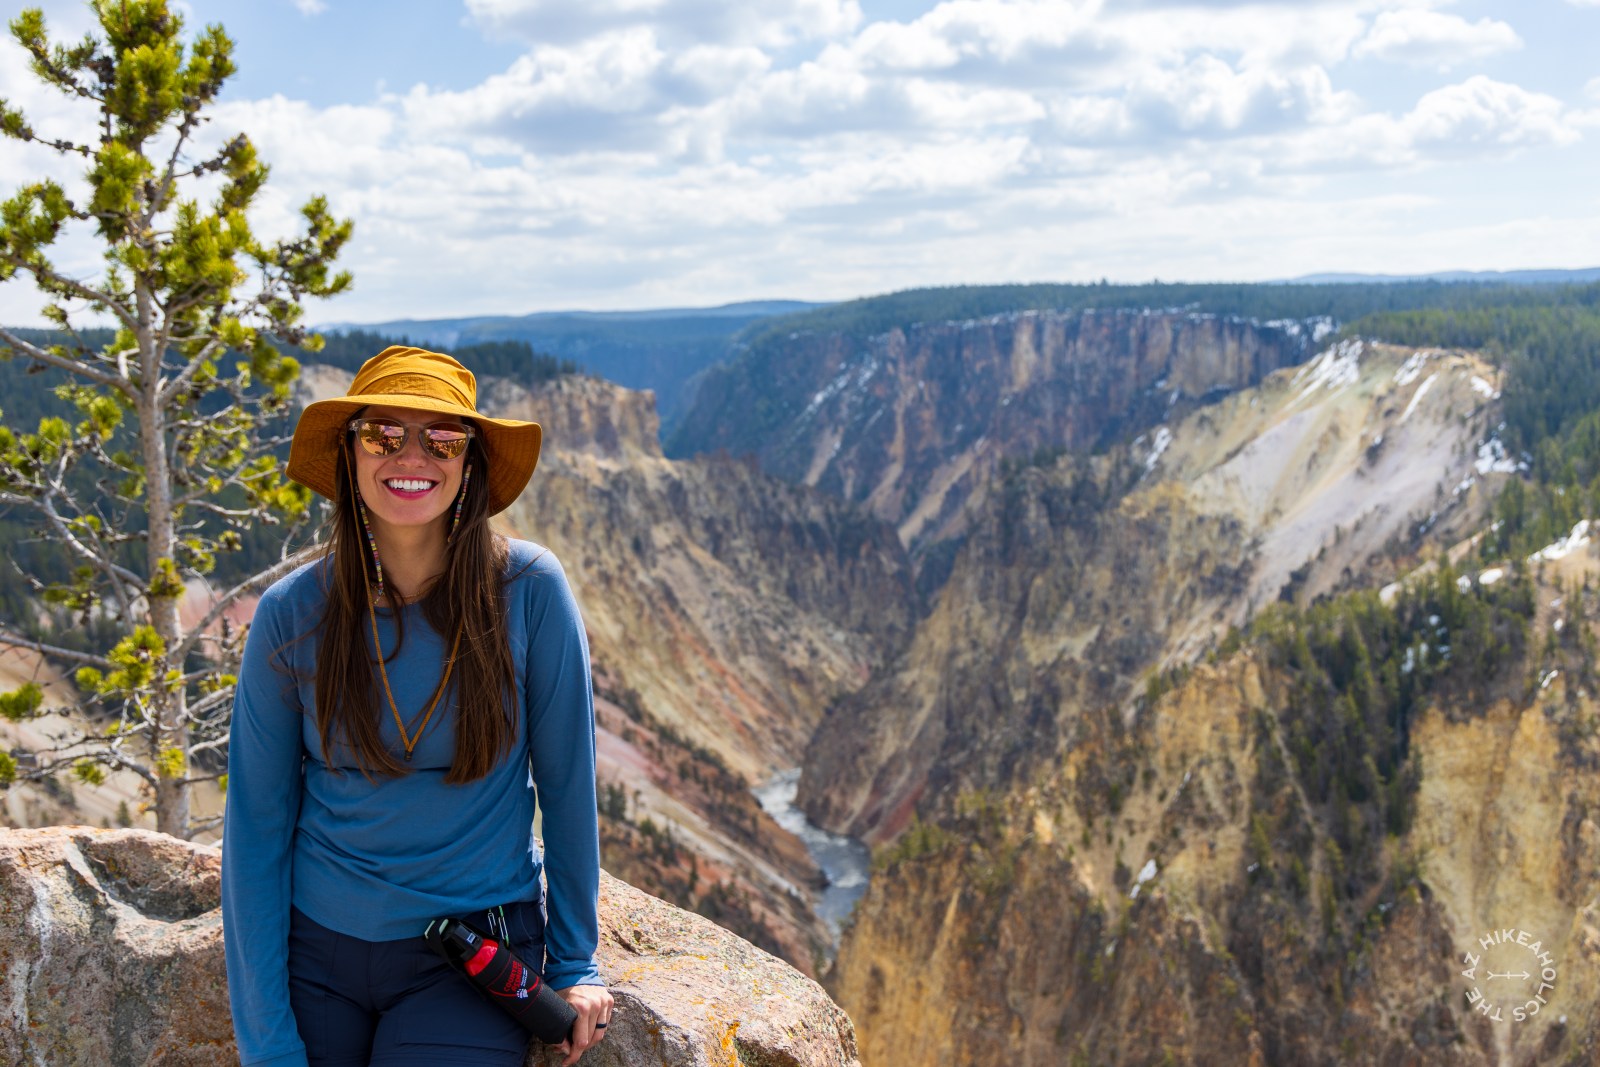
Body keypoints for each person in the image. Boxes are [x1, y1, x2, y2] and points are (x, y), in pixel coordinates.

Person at [221, 346, 613, 1067]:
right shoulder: (291, 614)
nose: (412, 456)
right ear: (349, 452)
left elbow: (566, 787)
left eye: (442, 438)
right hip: (318, 953)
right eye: (382, 435)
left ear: (469, 463)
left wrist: (577, 961)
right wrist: (267, 1043)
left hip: (469, 956)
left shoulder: (528, 590)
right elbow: (256, 829)